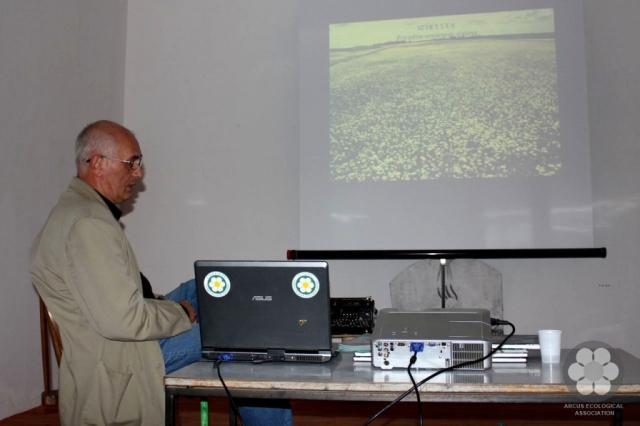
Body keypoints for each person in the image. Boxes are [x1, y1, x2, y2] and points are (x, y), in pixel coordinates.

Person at [30, 120, 292, 425]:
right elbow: (123, 321)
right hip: (125, 353)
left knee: (211, 285)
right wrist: (180, 313)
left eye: (138, 163)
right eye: (131, 163)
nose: (138, 173)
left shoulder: (81, 210)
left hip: (125, 330)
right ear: (98, 164)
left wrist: (176, 307)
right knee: (243, 334)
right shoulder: (88, 224)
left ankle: (258, 332)